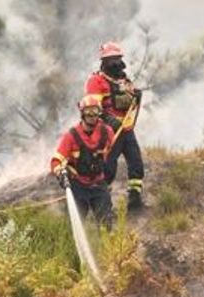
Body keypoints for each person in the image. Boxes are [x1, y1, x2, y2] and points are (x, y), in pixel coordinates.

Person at [85, 41, 144, 210]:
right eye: (112, 59)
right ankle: (102, 206)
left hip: (126, 129)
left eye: (118, 58)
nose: (116, 63)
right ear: (104, 61)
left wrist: (136, 96)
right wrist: (108, 119)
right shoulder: (96, 81)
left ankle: (135, 201)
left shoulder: (123, 79)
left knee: (136, 164)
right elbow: (92, 107)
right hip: (108, 131)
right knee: (108, 169)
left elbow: (129, 100)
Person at [51, 95, 115, 227]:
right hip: (78, 186)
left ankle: (105, 247)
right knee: (73, 225)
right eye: (88, 111)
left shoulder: (107, 132)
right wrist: (60, 173)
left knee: (106, 224)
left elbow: (109, 152)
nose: (92, 115)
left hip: (98, 185)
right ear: (82, 113)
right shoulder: (71, 136)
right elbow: (56, 160)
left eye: (95, 111)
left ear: (100, 112)